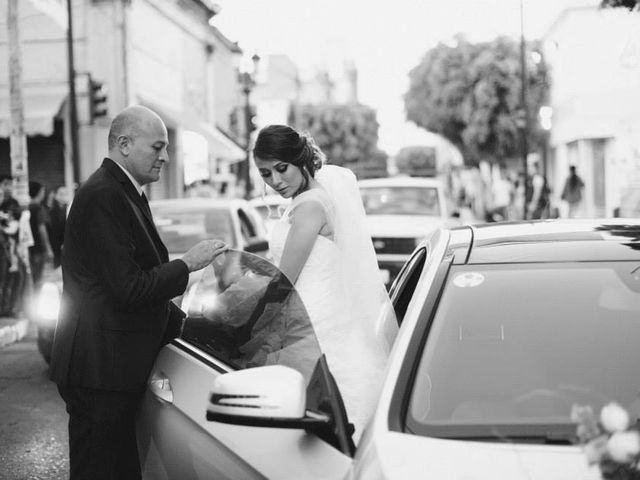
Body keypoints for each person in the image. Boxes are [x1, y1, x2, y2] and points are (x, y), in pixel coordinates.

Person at [49, 105, 228, 480]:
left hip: (112, 367)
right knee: (100, 471)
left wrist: (197, 326)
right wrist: (188, 264)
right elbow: (128, 288)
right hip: (99, 369)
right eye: (157, 147)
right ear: (124, 144)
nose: (165, 156)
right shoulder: (103, 194)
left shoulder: (125, 191)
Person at [253, 125, 398, 440]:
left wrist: (251, 321)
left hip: (317, 326)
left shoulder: (310, 207)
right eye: (265, 174)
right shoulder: (313, 198)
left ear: (300, 159)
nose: (275, 181)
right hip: (315, 319)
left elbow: (283, 281)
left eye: (281, 169)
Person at [28, 181, 54, 291]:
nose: (44, 193)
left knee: (33, 277)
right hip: (39, 247)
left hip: (30, 247)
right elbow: (42, 229)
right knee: (39, 278)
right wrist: (48, 249)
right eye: (43, 190)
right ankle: (37, 301)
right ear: (38, 192)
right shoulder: (38, 209)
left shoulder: (27, 207)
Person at [45, 185, 68, 268]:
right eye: (61, 194)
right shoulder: (52, 210)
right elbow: (53, 229)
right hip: (56, 244)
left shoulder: (68, 208)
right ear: (56, 195)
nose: (63, 196)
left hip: (67, 243)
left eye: (65, 194)